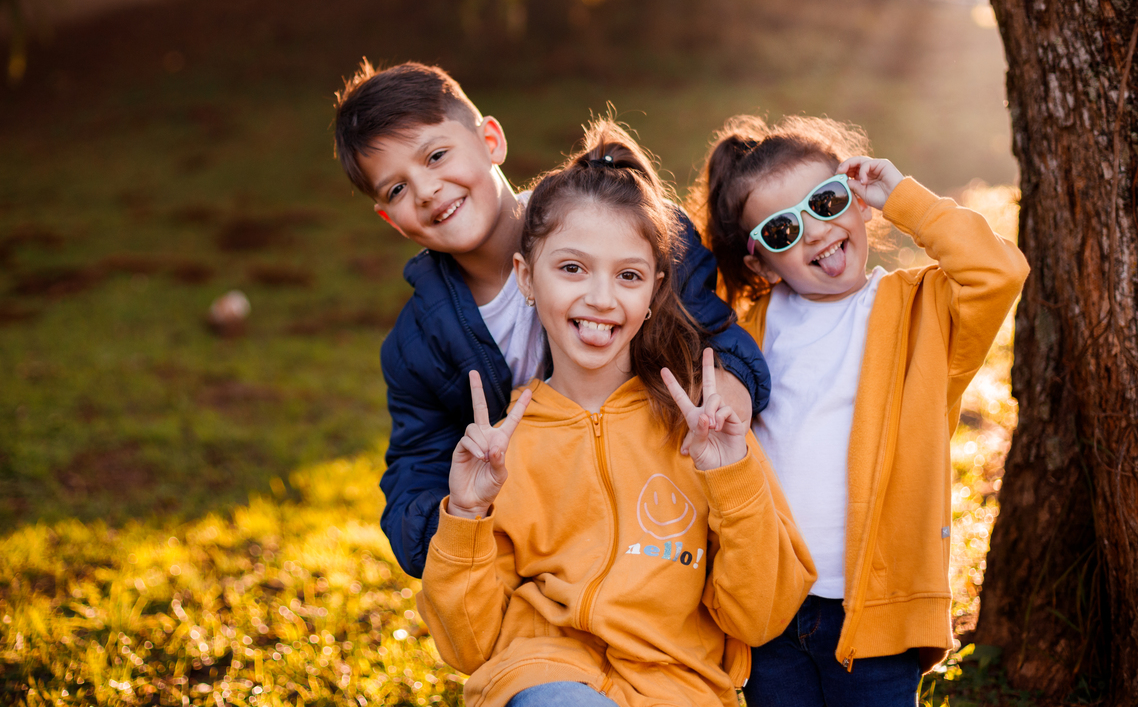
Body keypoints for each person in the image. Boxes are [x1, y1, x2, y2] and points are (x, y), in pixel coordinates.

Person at [416, 122, 815, 707]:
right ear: (527, 276)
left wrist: (732, 476)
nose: (601, 298)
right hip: (546, 678)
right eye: (572, 268)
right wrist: (467, 512)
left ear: (654, 292)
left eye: (627, 275)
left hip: (680, 689)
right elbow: (467, 645)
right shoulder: (505, 443)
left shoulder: (701, 426)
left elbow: (758, 618)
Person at [331, 62, 770, 578]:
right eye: (397, 190)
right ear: (388, 217)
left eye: (436, 155)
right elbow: (415, 474)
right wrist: (463, 522)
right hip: (547, 562)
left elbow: (723, 344)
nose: (426, 189)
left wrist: (723, 415)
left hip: (665, 535)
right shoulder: (416, 345)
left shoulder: (638, 229)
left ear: (491, 139)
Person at [691, 115, 1029, 706]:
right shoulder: (748, 335)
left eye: (826, 201)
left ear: (859, 202)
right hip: (772, 607)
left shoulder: (919, 312)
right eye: (781, 231)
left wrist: (903, 197)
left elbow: (997, 271)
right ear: (762, 263)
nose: (815, 232)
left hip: (876, 610)